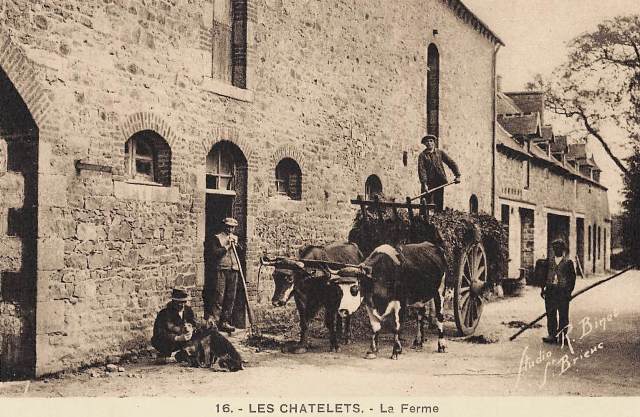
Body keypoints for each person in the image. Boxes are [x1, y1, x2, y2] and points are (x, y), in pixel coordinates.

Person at [203, 217, 242, 333]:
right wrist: (226, 247)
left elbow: (241, 251)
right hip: (221, 269)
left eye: (233, 227)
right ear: (224, 226)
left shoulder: (235, 238)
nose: (231, 229)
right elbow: (214, 253)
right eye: (229, 226)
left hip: (234, 269)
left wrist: (237, 245)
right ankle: (214, 321)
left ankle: (225, 321)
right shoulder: (217, 237)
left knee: (230, 297)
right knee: (219, 296)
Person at [540, 238, 576, 344]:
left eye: (559, 248)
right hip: (550, 290)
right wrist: (542, 289)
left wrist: (569, 292)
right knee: (551, 313)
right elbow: (544, 276)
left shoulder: (568, 263)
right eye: (554, 248)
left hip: (562, 291)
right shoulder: (548, 262)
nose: (556, 250)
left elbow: (572, 279)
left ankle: (562, 336)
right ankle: (552, 335)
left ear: (563, 249)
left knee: (563, 314)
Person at [417, 134, 461, 212]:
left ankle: (437, 218)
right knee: (425, 202)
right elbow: (422, 170)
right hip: (428, 182)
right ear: (424, 144)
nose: (429, 143)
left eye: (431, 141)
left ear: (434, 143)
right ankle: (423, 219)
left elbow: (451, 162)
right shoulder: (422, 156)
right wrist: (424, 184)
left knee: (438, 202)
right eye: (427, 141)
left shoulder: (439, 153)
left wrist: (457, 175)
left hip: (439, 181)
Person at [151, 288, 197, 361]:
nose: (182, 305)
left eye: (184, 302)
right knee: (160, 341)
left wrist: (191, 330)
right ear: (173, 302)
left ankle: (182, 353)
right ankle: (169, 355)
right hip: (170, 342)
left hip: (185, 340)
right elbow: (159, 333)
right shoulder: (164, 313)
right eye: (180, 303)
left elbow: (194, 324)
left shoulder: (188, 310)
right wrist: (177, 338)